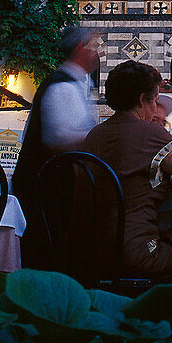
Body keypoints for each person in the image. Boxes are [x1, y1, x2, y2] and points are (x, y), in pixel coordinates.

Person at [82, 60, 172, 280]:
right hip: (136, 253)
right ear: (142, 100)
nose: (154, 110)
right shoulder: (151, 133)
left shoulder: (94, 135)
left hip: (89, 251)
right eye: (155, 102)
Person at [13, 27, 101, 264]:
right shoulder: (62, 86)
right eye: (93, 47)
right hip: (47, 188)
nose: (97, 53)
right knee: (45, 251)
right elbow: (59, 139)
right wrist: (102, 136)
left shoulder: (74, 84)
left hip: (51, 185)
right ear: (80, 49)